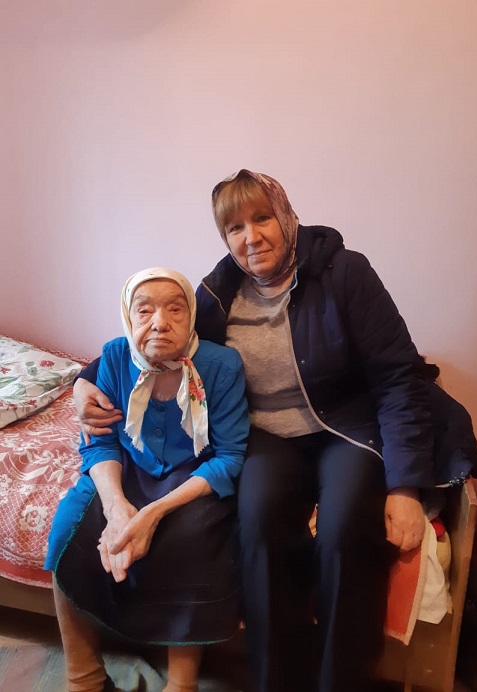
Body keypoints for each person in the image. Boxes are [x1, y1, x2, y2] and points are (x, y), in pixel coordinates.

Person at [73, 171, 446, 692]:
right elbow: (161, 337)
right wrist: (84, 381)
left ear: (288, 215)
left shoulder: (345, 272)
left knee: (344, 530)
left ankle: (341, 681)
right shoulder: (219, 290)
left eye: (262, 218)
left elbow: (397, 375)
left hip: (345, 429)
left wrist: (405, 487)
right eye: (235, 227)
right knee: (259, 523)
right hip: (267, 434)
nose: (251, 237)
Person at [45, 268, 249, 692]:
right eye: (145, 311)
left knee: (192, 538)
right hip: (125, 469)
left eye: (175, 309)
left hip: (193, 476)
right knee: (66, 526)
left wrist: (153, 513)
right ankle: (83, 677)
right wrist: (116, 507)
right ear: (128, 317)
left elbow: (229, 456)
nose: (160, 322)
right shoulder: (115, 357)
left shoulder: (222, 365)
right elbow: (99, 443)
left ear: (192, 316)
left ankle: (181, 683)